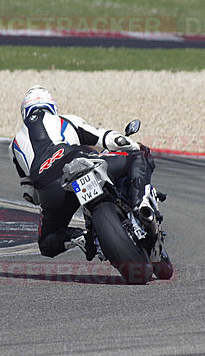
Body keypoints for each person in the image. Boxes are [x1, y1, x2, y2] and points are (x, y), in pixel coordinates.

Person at [10, 86, 156, 259]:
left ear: (24, 112)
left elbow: (29, 195)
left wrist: (49, 200)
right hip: (77, 162)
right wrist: (135, 145)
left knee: (46, 244)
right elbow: (108, 138)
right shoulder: (65, 120)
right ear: (52, 106)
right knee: (137, 157)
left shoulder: (15, 145)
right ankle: (141, 204)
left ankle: (79, 238)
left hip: (49, 187)